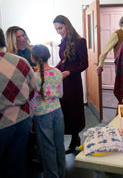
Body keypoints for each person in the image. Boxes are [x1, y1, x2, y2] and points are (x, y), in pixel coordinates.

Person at [0, 28, 35, 178]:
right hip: (22, 120)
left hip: (2, 125)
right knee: (17, 165)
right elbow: (32, 89)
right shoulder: (20, 61)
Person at [53, 15, 88, 154]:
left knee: (74, 111)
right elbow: (63, 61)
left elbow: (84, 64)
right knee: (65, 110)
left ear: (67, 25)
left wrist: (68, 72)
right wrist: (52, 69)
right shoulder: (63, 40)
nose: (59, 31)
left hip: (73, 82)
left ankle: (75, 139)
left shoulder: (80, 41)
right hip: (63, 81)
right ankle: (72, 140)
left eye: (60, 28)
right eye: (56, 29)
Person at [30, 45, 65, 178]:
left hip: (42, 115)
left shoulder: (34, 76)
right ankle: (61, 174)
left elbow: (32, 101)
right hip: (58, 112)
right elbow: (60, 94)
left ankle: (52, 175)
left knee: (47, 148)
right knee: (59, 145)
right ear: (49, 56)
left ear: (32, 58)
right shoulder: (57, 72)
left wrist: (31, 119)